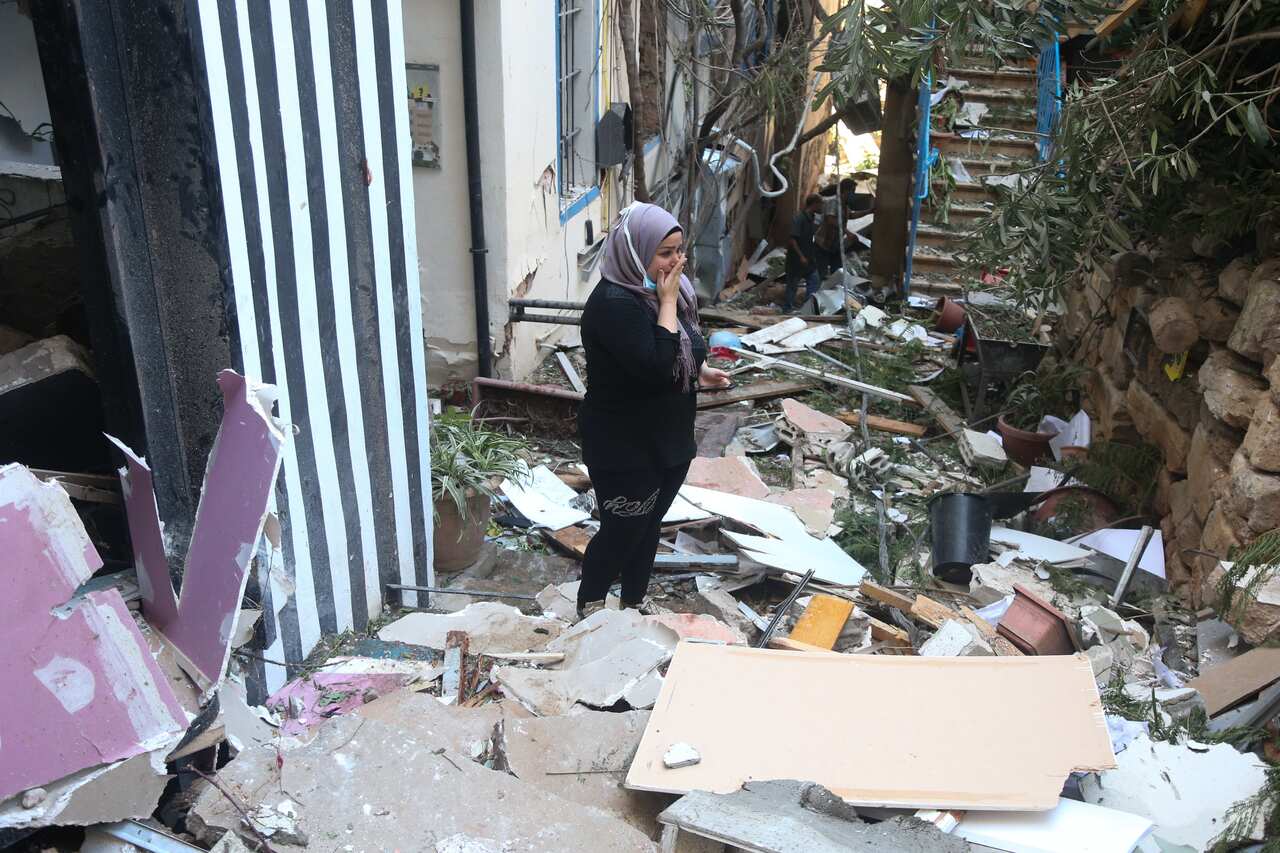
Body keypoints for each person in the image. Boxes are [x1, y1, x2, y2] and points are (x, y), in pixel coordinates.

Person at [576, 202, 732, 619]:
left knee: (648, 527)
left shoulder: (660, 293)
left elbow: (680, 349)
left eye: (679, 250)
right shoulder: (615, 304)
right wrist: (666, 303)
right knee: (622, 530)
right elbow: (657, 367)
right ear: (635, 250)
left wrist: (699, 370)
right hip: (625, 446)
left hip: (668, 439)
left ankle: (633, 601)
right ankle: (590, 607)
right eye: (665, 252)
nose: (676, 261)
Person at [785, 194, 823, 312]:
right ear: (814, 204)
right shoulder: (799, 218)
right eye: (820, 204)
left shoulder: (812, 218)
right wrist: (801, 256)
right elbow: (792, 239)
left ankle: (807, 307)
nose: (822, 207)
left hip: (808, 259)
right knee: (792, 286)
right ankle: (787, 309)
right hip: (796, 260)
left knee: (815, 281)